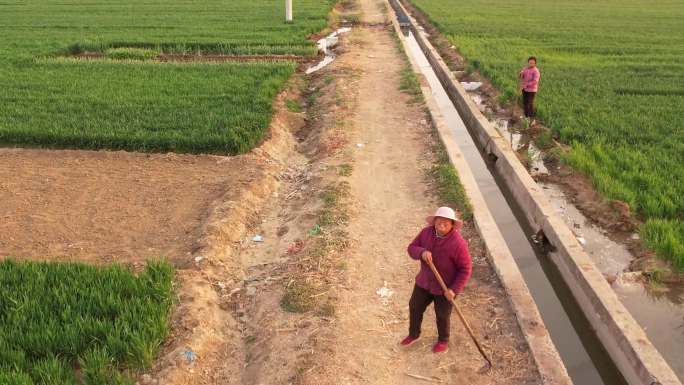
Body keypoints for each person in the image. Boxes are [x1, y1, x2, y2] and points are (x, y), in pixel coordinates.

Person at [400, 207, 473, 353]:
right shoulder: (426, 233)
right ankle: (414, 334)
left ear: (452, 225)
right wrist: (422, 252)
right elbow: (411, 248)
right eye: (439, 223)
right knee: (414, 306)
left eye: (445, 224)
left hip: (445, 288)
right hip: (424, 282)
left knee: (442, 315)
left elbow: (465, 269)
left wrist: (454, 289)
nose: (441, 227)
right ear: (434, 222)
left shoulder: (458, 244)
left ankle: (443, 340)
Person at [519, 56, 540, 121]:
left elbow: (535, 81)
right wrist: (521, 74)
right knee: (525, 102)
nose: (531, 64)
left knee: (530, 103)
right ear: (528, 62)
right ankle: (526, 116)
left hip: (532, 90)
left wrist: (526, 85)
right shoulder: (525, 68)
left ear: (535, 63)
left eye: (532, 63)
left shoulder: (536, 71)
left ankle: (531, 118)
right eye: (530, 63)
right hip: (524, 89)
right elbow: (521, 76)